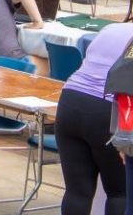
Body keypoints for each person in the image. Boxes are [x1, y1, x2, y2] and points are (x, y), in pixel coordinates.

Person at [55, 23, 129, 215]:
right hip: (107, 108)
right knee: (120, 193)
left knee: (77, 192)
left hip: (70, 101)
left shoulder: (110, 29)